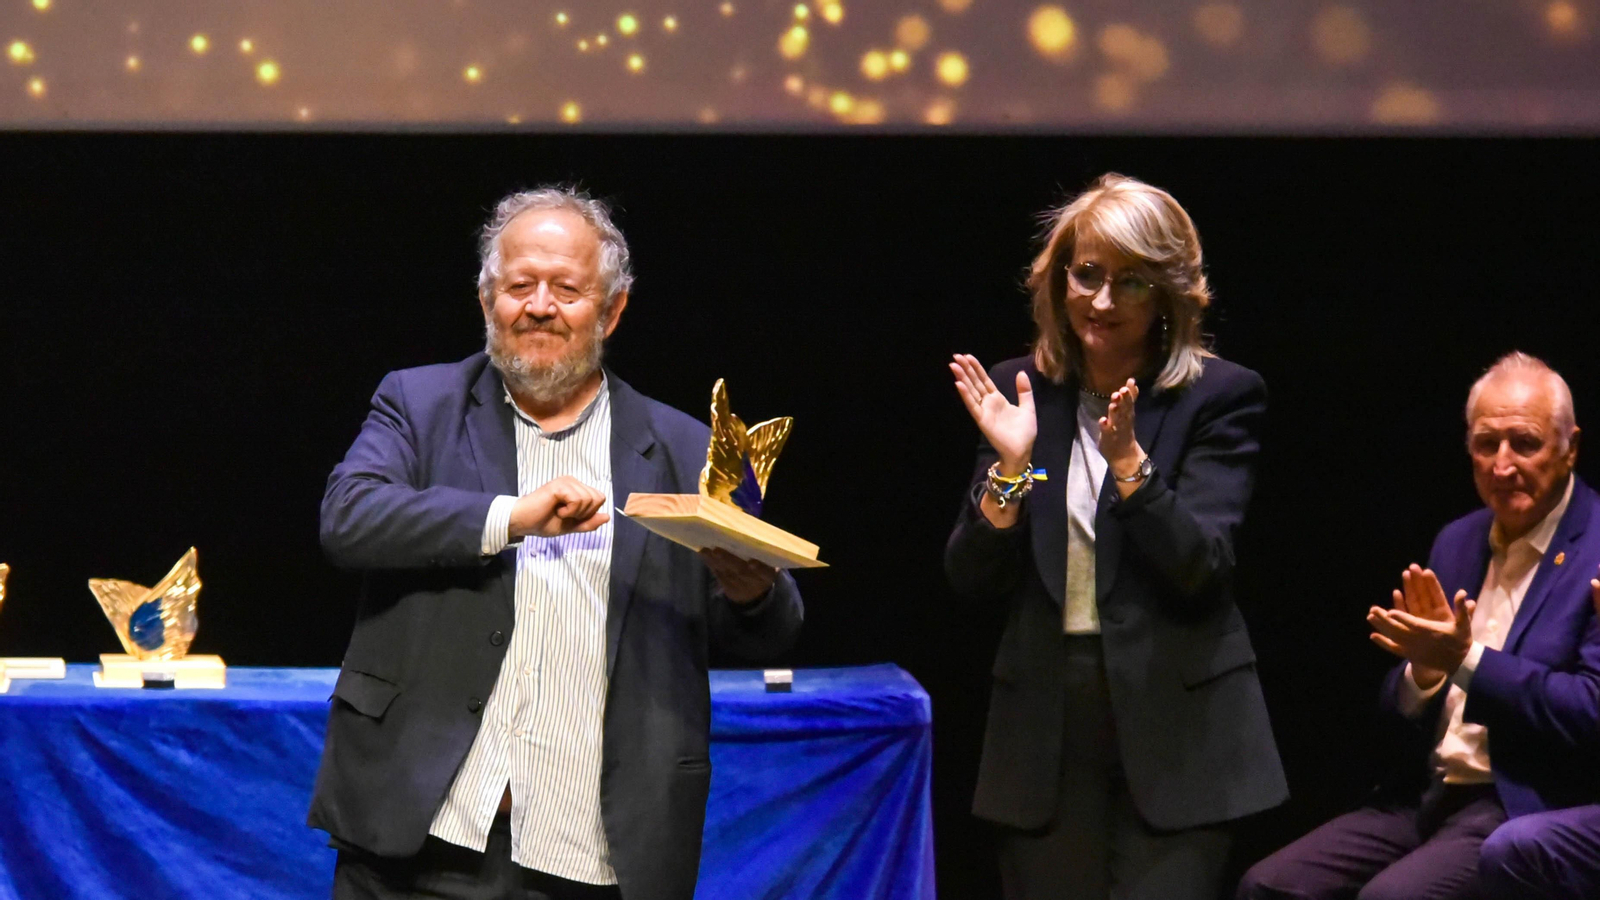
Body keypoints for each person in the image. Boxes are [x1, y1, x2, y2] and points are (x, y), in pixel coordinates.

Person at [308, 186, 804, 900]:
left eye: (566, 289)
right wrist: (509, 517)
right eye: (519, 285)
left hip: (594, 852)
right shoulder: (418, 405)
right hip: (422, 836)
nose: (539, 305)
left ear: (612, 310)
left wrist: (751, 591)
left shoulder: (682, 448)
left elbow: (772, 630)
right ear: (488, 301)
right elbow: (349, 518)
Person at [945, 172, 1286, 900]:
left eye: (1130, 282)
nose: (1102, 301)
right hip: (1046, 726)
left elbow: (1201, 568)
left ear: (1168, 293)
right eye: (1088, 275)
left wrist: (1130, 465)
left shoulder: (1220, 396)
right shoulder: (1020, 390)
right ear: (1058, 280)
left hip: (1179, 727)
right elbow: (969, 578)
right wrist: (1010, 469)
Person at [1238, 352, 1600, 900]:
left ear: (1570, 447)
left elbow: (1590, 709)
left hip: (1520, 800)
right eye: (1486, 444)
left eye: (1524, 443)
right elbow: (1395, 713)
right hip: (1426, 794)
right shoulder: (1458, 539)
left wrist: (1467, 662)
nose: (1502, 465)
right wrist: (1424, 674)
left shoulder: (1595, 549)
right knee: (1269, 885)